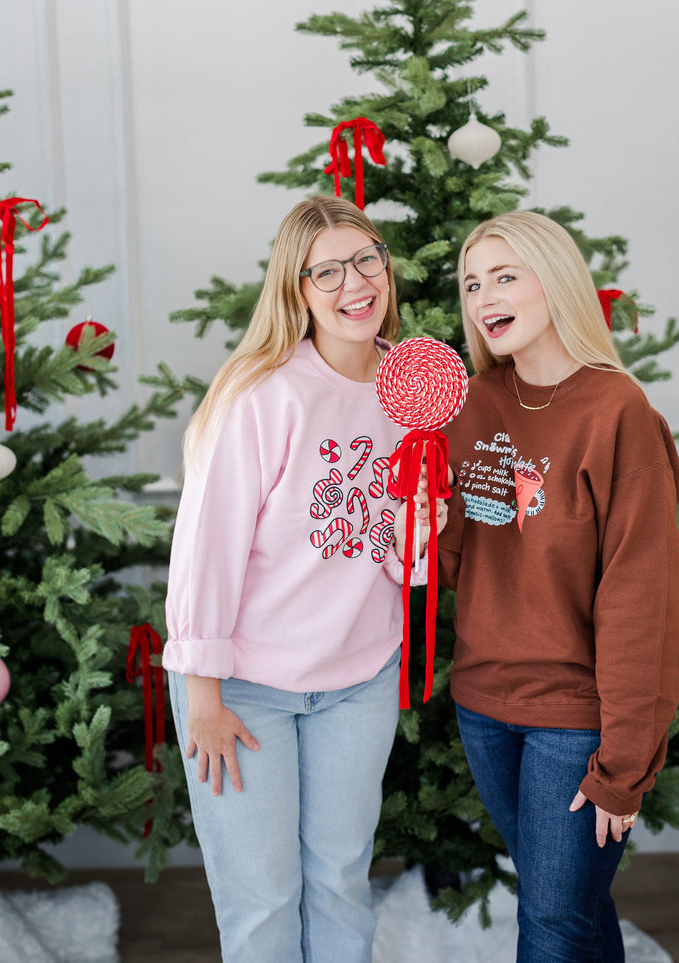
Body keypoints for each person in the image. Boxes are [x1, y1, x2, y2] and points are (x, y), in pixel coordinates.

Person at [396, 210, 679, 962]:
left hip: (576, 718)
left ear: (555, 282)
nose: (482, 297)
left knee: (552, 925)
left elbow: (643, 599)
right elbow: (461, 567)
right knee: (572, 909)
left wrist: (625, 763)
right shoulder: (471, 405)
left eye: (504, 276)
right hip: (485, 707)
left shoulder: (617, 411)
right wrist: (427, 526)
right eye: (471, 284)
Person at [163, 195, 419, 963]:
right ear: (296, 289)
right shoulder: (263, 394)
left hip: (359, 677)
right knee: (263, 900)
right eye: (327, 271)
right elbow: (206, 549)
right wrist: (203, 694)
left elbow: (394, 558)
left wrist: (418, 529)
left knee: (340, 882)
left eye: (366, 259)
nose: (355, 283)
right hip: (242, 687)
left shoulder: (409, 389)